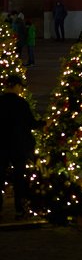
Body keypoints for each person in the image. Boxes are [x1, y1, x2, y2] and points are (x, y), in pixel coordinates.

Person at [0, 73, 41, 218]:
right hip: (19, 146)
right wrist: (44, 123)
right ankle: (19, 207)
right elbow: (31, 124)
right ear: (16, 86)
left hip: (2, 146)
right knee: (19, 178)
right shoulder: (21, 103)